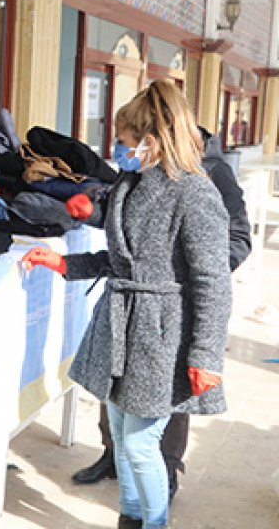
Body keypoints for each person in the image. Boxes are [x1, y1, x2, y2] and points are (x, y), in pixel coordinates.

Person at [22, 80, 231, 529]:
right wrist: (62, 262)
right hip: (120, 326)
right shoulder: (130, 184)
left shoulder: (195, 193)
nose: (117, 149)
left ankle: (153, 522)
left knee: (140, 445)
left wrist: (206, 355)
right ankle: (131, 518)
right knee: (120, 436)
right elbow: (118, 259)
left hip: (161, 335)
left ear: (151, 142)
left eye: (124, 141)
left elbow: (213, 281)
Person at [70, 125, 250, 502]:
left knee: (163, 402)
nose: (123, 147)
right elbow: (126, 227)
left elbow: (237, 237)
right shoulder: (138, 169)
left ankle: (165, 469)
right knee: (117, 400)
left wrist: (191, 272)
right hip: (130, 307)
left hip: (172, 309)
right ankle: (112, 457)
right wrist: (91, 211)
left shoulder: (211, 173)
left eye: (130, 137)